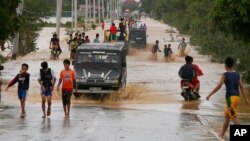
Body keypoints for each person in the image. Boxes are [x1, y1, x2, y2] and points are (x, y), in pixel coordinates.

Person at [206, 57, 250, 139]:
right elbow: (242, 87)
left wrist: (209, 95)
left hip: (230, 100)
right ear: (234, 65)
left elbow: (219, 86)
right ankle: (222, 135)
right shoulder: (237, 74)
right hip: (236, 98)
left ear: (225, 65)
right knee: (227, 117)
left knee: (234, 117)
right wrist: (246, 99)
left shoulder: (225, 75)